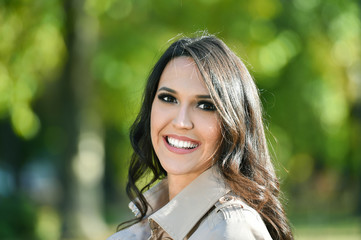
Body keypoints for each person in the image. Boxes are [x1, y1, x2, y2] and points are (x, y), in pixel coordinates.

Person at [107, 34, 294, 240]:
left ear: (234, 124)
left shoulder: (230, 230)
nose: (181, 122)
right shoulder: (138, 231)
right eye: (168, 98)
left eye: (205, 105)